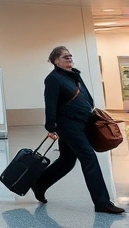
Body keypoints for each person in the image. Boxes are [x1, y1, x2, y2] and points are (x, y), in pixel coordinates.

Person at [32, 46, 124, 215]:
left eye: (70, 55)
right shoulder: (53, 79)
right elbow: (50, 103)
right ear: (56, 61)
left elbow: (86, 96)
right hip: (67, 125)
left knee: (67, 161)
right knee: (89, 157)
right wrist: (51, 126)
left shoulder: (74, 75)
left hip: (82, 123)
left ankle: (40, 183)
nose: (69, 58)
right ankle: (102, 202)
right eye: (65, 56)